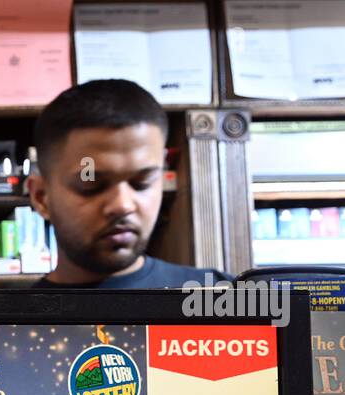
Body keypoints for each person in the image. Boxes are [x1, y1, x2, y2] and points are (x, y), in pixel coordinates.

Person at [29, 79, 226, 289]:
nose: (123, 205)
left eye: (142, 182)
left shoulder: (224, 301)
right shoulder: (12, 321)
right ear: (41, 198)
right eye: (91, 185)